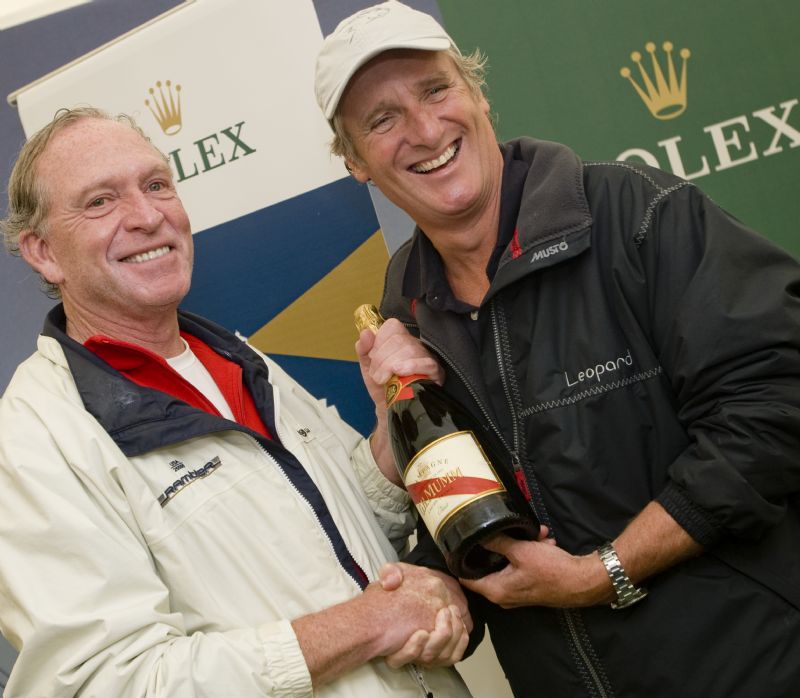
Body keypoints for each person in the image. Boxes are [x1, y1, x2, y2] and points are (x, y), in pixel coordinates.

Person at [314, 2, 800, 696]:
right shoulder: (404, 306)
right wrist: (439, 585)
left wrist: (604, 573)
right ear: (357, 162)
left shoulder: (635, 215)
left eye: (435, 89)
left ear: (477, 92)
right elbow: (476, 513)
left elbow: (775, 407)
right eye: (382, 120)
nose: (424, 130)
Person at [0, 106, 475, 697]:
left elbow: (333, 534)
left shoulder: (234, 358)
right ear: (42, 252)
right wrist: (368, 623)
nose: (148, 216)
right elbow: (105, 683)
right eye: (100, 201)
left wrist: (387, 430)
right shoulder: (36, 437)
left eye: (156, 185)